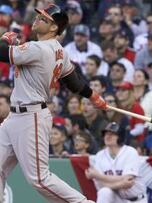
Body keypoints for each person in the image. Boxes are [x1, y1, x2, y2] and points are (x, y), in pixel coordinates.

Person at [0, 4, 106, 202]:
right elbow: (74, 83)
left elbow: (1, 53)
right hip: (16, 116)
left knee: (39, 179)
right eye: (39, 16)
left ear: (54, 28)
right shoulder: (60, 51)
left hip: (30, 116)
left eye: (44, 19)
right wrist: (94, 97)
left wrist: (5, 39)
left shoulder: (39, 48)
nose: (37, 19)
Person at [85, 122, 146, 203]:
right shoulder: (100, 155)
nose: (108, 136)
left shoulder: (130, 152)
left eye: (112, 134)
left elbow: (128, 181)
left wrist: (99, 176)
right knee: (104, 192)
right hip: (117, 199)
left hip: (136, 199)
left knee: (106, 190)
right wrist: (121, 182)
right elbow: (101, 185)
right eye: (106, 134)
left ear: (120, 136)